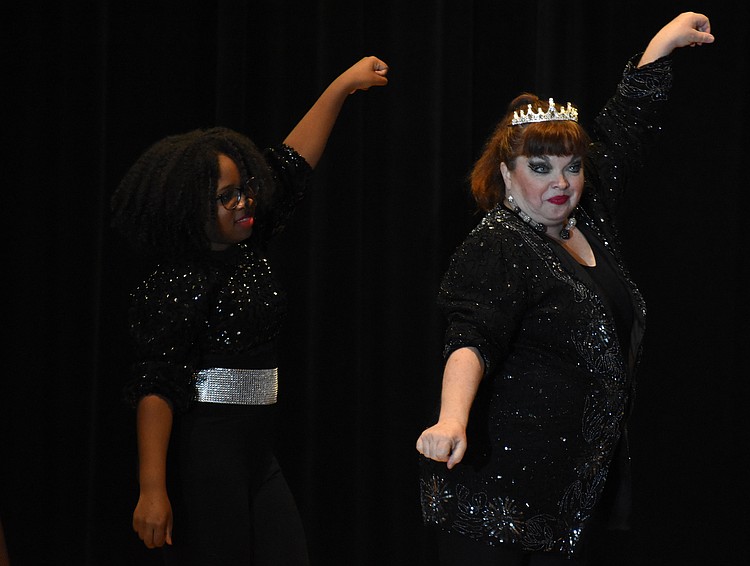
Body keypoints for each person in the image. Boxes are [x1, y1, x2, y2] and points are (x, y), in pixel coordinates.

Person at [416, 12, 713, 565]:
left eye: (572, 167)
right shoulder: (497, 244)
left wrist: (661, 45)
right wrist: (452, 417)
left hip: (567, 496)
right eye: (540, 167)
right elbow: (470, 338)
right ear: (507, 173)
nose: (561, 182)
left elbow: (623, 129)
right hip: (496, 499)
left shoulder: (586, 217)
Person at [111, 55, 388, 565]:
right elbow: (156, 386)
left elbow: (292, 162)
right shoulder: (174, 282)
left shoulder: (249, 244)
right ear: (191, 207)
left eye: (245, 189)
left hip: (258, 452)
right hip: (208, 452)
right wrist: (152, 489)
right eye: (227, 197)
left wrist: (343, 86)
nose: (244, 202)